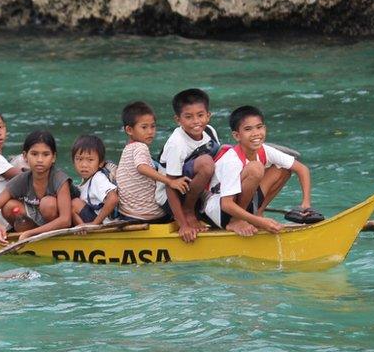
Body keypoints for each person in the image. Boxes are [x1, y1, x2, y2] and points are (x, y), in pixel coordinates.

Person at [202, 105, 313, 236]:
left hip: (238, 205)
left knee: (283, 169)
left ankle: (257, 212)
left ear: (264, 128)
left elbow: (302, 169)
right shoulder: (231, 160)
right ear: (237, 136)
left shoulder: (264, 150)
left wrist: (306, 204)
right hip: (218, 211)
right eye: (248, 129)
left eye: (259, 127)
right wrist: (261, 223)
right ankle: (238, 220)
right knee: (256, 168)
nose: (256, 133)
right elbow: (227, 204)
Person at [0, 130, 73, 246]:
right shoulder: (22, 179)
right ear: (25, 156)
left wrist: (31, 233)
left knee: (48, 203)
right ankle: (23, 236)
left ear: (53, 157)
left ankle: (34, 236)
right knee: (8, 206)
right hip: (34, 226)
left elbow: (65, 220)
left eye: (46, 154)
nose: (40, 160)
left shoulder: (60, 179)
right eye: (34, 154)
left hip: (56, 226)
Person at [116, 101, 192, 230]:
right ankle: (189, 220)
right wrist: (170, 181)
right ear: (129, 130)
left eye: (153, 126)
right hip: (148, 216)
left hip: (127, 214)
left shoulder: (128, 149)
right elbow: (142, 167)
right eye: (144, 127)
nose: (150, 132)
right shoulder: (140, 148)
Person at [157, 89, 219, 242]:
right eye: (188, 117)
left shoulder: (209, 131)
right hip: (171, 197)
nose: (196, 121)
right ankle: (189, 210)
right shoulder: (176, 143)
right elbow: (170, 186)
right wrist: (183, 224)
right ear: (178, 120)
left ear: (208, 116)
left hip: (197, 190)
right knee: (206, 163)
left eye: (200, 115)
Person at [70, 135, 119, 225]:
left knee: (74, 203)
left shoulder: (98, 178)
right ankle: (81, 227)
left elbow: (113, 199)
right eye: (79, 159)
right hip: (94, 219)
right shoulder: (86, 180)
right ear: (73, 161)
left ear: (100, 163)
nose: (84, 164)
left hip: (101, 223)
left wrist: (94, 224)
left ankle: (83, 229)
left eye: (90, 160)